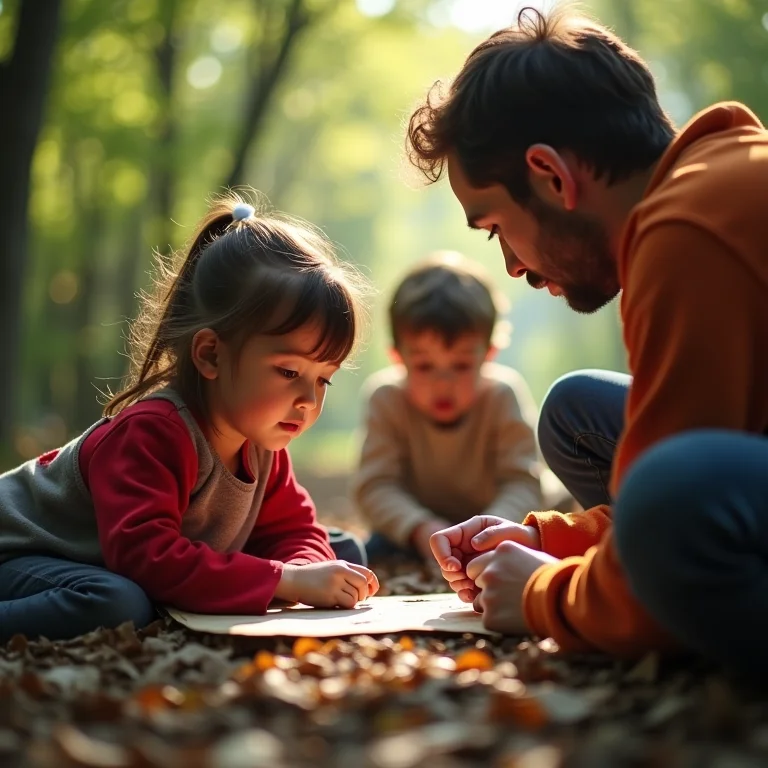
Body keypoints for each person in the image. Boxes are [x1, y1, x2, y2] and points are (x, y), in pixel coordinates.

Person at [406, 5, 768, 675]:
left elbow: (675, 495)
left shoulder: (686, 237)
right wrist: (549, 536)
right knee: (578, 413)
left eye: (494, 228)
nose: (511, 266)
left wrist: (544, 594)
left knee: (668, 499)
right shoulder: (708, 187)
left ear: (550, 175)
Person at [0, 193, 379, 643]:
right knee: (119, 603)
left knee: (341, 554)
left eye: (323, 380)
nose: (307, 400)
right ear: (210, 354)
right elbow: (147, 557)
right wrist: (285, 582)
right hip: (22, 554)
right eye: (289, 372)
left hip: (109, 562)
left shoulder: (260, 442)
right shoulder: (153, 431)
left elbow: (293, 528)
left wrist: (302, 569)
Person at [352, 251, 542, 566]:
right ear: (398, 357)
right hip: (414, 531)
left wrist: (491, 529)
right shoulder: (386, 399)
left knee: (545, 531)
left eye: (461, 365)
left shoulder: (502, 396)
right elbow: (376, 486)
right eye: (425, 366)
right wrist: (421, 528)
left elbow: (522, 481)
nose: (443, 384)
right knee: (360, 553)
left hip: (493, 528)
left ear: (489, 355)